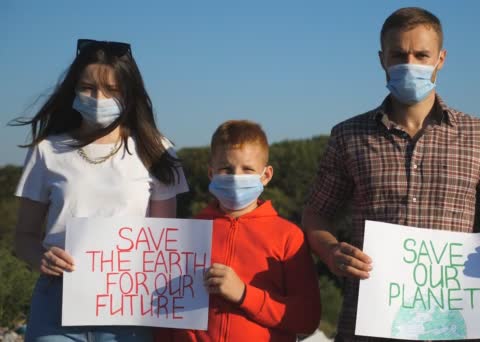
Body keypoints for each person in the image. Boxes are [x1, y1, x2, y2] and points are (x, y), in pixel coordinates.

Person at [301, 7, 480, 342]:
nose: (410, 63)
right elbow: (316, 215)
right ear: (382, 59)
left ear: (441, 59)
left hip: (457, 327)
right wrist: (331, 251)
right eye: (399, 54)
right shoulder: (348, 136)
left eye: (421, 54)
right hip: (368, 325)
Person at [12, 39, 189, 341]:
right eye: (88, 88)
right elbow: (23, 238)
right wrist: (41, 257)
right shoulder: (47, 150)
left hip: (129, 308)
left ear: (130, 94)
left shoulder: (157, 151)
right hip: (57, 303)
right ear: (73, 91)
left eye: (112, 90)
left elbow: (164, 241)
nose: (98, 98)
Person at [156, 120, 321, 341]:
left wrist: (244, 294)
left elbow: (307, 319)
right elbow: (164, 311)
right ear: (210, 173)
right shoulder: (186, 232)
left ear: (266, 175)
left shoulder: (289, 237)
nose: (236, 177)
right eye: (226, 169)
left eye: (248, 169)